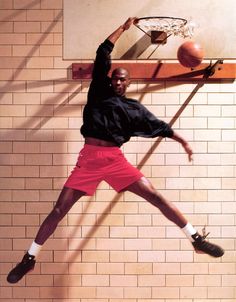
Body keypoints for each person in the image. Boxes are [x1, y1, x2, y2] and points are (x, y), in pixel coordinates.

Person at [7, 17, 224, 284]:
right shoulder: (99, 90)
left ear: (128, 83)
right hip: (89, 159)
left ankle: (195, 238)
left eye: (122, 80)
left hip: (114, 160)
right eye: (115, 79)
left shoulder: (134, 109)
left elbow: (159, 127)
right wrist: (123, 28)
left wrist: (183, 142)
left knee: (155, 197)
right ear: (110, 80)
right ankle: (29, 258)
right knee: (57, 211)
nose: (118, 83)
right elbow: (103, 51)